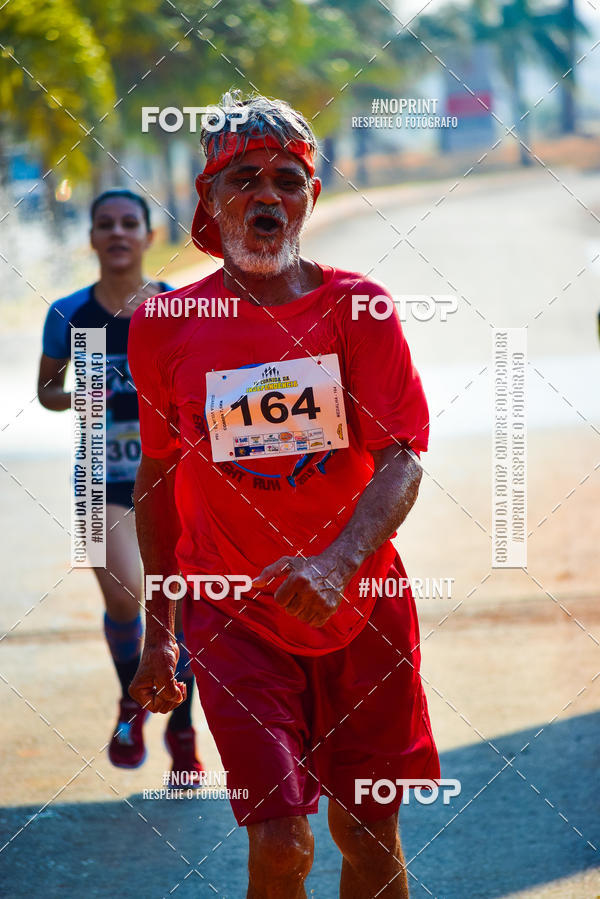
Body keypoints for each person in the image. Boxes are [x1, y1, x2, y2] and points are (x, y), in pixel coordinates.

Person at [128, 92, 440, 898]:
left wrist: (338, 563)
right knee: (281, 843)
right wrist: (160, 635)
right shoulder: (164, 323)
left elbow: (403, 454)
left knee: (368, 831)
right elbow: (158, 478)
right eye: (243, 178)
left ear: (309, 198)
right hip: (235, 614)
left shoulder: (356, 307)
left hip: (363, 604)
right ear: (209, 197)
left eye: (287, 179)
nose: (267, 195)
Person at [37, 189, 203, 778]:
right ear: (91, 238)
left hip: (169, 479)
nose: (117, 233)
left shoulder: (176, 309)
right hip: (98, 480)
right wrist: (76, 395)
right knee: (124, 599)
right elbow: (47, 391)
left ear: (148, 236)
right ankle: (132, 701)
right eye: (104, 223)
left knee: (177, 607)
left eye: (129, 223)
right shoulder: (69, 315)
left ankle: (182, 732)